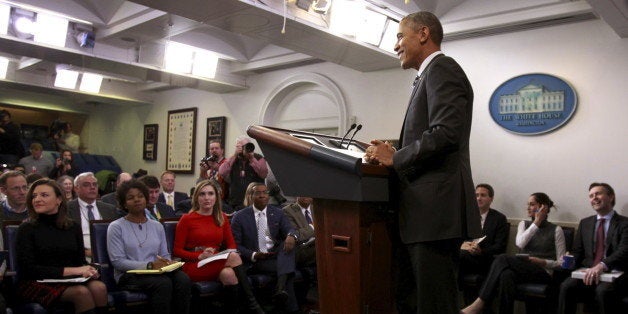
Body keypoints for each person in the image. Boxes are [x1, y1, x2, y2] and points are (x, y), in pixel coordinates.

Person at [363, 11, 481, 314]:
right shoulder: (428, 76)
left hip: (434, 214)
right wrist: (391, 150)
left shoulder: (443, 69)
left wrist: (397, 157)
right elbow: (431, 134)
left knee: (434, 303)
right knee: (414, 301)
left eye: (400, 36)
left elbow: (446, 133)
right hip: (421, 215)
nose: (396, 46)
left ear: (424, 34)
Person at [461, 192, 566, 314]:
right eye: (528, 204)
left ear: (543, 207)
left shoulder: (556, 230)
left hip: (543, 272)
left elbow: (561, 263)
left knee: (502, 258)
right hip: (524, 268)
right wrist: (535, 223)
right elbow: (520, 243)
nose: (527, 207)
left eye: (532, 204)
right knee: (506, 274)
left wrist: (543, 262)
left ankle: (479, 303)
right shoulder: (523, 224)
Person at [15, 179, 108, 313]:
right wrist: (75, 271)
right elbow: (28, 269)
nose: (37, 199)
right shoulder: (26, 228)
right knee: (81, 293)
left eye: (44, 195)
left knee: (99, 288)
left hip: (68, 279)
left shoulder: (73, 227)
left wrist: (89, 271)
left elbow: (79, 262)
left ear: (59, 199)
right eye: (34, 196)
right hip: (35, 281)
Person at [173, 180, 265, 314]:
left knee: (229, 275)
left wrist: (219, 254)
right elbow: (177, 251)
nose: (206, 198)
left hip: (216, 261)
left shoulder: (221, 217)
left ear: (216, 197)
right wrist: (199, 255)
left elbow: (232, 244)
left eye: (210, 194)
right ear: (196, 198)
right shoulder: (186, 219)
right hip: (194, 265)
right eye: (202, 194)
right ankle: (253, 305)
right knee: (233, 257)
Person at [107, 180, 191, 314]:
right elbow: (118, 262)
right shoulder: (116, 227)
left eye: (140, 196)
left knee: (183, 279)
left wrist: (168, 263)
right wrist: (149, 265)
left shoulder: (157, 226)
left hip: (157, 272)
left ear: (146, 199)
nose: (137, 200)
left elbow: (165, 254)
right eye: (130, 198)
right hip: (128, 275)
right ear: (124, 204)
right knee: (163, 283)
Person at [558, 183, 628, 314]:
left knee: (603, 291)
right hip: (588, 272)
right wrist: (569, 259)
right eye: (591, 196)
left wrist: (602, 266)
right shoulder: (585, 223)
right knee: (566, 286)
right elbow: (577, 252)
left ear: (611, 197)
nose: (594, 198)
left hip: (615, 272)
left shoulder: (624, 223)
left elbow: (624, 251)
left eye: (598, 194)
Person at [230, 182, 299, 313]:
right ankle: (286, 300)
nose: (262, 196)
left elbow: (289, 229)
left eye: (265, 192)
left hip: (274, 255)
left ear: (268, 196)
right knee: (287, 270)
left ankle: (280, 292)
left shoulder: (277, 213)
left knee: (288, 247)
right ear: (250, 196)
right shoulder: (239, 217)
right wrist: (254, 255)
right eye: (258, 193)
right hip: (255, 260)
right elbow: (236, 245)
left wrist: (291, 235)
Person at [459, 184, 509, 301]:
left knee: (459, 256)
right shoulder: (467, 217)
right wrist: (464, 246)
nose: (478, 198)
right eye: (476, 195)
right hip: (466, 256)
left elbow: (500, 246)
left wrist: (481, 251)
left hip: (486, 258)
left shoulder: (499, 218)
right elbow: (460, 239)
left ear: (491, 199)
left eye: (483, 195)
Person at [67, 172, 118, 259]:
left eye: (95, 184)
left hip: (107, 255)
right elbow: (66, 238)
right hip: (78, 256)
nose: (92, 187)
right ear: (76, 189)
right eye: (86, 185)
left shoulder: (110, 209)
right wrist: (84, 252)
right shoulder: (67, 209)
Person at [218, 136, 268, 211]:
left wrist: (252, 159)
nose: (244, 148)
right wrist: (235, 155)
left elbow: (263, 174)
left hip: (255, 202)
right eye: (241, 146)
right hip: (235, 202)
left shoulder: (258, 158)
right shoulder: (233, 159)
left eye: (246, 146)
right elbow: (222, 172)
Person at [283, 197, 316, 267]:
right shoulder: (287, 211)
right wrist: (313, 227)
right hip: (301, 249)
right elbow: (296, 235)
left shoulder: (317, 208)